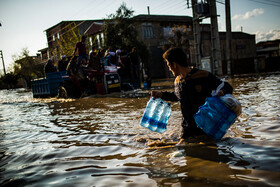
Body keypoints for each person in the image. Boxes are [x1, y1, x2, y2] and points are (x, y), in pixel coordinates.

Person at [151, 47, 233, 139]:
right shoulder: (177, 81)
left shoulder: (203, 75)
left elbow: (227, 86)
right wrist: (161, 94)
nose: (169, 69)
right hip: (186, 130)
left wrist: (222, 91)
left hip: (205, 129)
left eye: (168, 65)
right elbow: (178, 96)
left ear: (174, 64)